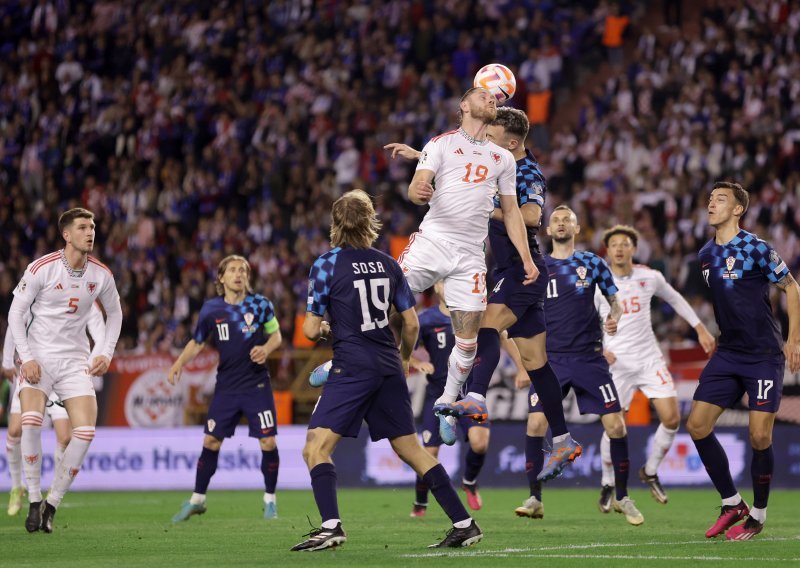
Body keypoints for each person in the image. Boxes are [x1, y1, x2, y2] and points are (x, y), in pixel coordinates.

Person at [294, 189, 481, 551]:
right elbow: (410, 325)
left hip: (351, 365)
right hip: (387, 365)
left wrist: (329, 329)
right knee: (412, 449)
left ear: (336, 224)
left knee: (315, 447)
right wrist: (405, 359)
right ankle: (464, 522)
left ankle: (331, 526)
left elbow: (308, 329)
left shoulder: (326, 263)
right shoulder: (389, 264)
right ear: (370, 223)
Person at [430, 106, 582, 481]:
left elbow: (531, 217)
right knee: (536, 363)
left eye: (492, 134)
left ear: (512, 142)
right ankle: (563, 440)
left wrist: (488, 205)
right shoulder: (495, 164)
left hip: (521, 269)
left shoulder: (527, 170)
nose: (484, 138)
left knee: (482, 325)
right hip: (511, 270)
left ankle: (476, 397)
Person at [385, 87, 537, 446]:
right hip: (433, 242)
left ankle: (445, 403)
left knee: (468, 340)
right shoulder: (439, 144)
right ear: (464, 105)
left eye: (494, 99)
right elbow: (416, 185)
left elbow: (513, 212)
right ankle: (343, 357)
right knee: (383, 298)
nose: (492, 100)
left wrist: (527, 259)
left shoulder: (503, 159)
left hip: (470, 257)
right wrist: (418, 190)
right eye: (484, 97)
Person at [514, 206, 644, 526]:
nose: (560, 224)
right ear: (547, 230)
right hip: (550, 361)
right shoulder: (536, 266)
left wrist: (614, 316)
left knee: (616, 426)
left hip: (589, 358)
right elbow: (519, 314)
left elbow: (615, 300)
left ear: (577, 228)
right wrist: (522, 361)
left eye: (566, 220)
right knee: (534, 425)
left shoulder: (591, 262)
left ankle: (623, 496)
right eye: (555, 220)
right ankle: (535, 498)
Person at [687, 181, 800, 541]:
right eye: (709, 199)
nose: (711, 204)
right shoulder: (705, 254)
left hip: (764, 355)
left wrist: (793, 339)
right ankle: (732, 503)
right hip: (728, 354)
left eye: (720, 200)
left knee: (758, 435)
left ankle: (758, 515)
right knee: (698, 425)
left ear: (738, 209)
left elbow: (792, 287)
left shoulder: (756, 247)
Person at [7, 207, 122, 533]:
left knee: (85, 433)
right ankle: (32, 498)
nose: (91, 232)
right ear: (67, 234)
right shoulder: (41, 268)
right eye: (84, 227)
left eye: (93, 226)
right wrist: (25, 357)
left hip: (75, 362)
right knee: (29, 421)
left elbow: (115, 315)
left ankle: (51, 503)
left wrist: (106, 351)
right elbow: (16, 314)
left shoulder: (101, 274)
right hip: (39, 359)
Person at [594, 225, 715, 509]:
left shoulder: (650, 276)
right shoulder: (597, 281)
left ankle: (649, 471)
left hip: (649, 358)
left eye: (625, 243)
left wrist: (699, 328)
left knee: (672, 418)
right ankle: (607, 482)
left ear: (633, 249)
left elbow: (675, 298)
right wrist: (599, 348)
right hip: (617, 362)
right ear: (607, 251)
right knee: (614, 425)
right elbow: (584, 319)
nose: (620, 248)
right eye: (615, 244)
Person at [168, 254, 283, 522]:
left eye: (242, 270)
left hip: (256, 385)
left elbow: (276, 335)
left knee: (268, 441)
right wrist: (179, 363)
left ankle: (270, 501)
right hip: (227, 388)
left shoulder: (261, 304)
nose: (238, 274)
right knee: (210, 440)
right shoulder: (211, 310)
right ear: (221, 277)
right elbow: (196, 343)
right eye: (232, 270)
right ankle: (197, 500)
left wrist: (266, 348)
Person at [2, 303, 106, 516]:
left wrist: (85, 365)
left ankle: (53, 492)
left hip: (66, 372)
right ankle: (17, 486)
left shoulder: (86, 292)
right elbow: (15, 322)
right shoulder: (38, 285)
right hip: (34, 370)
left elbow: (100, 333)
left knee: (66, 437)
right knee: (15, 430)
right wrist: (7, 360)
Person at [409, 281, 491, 516]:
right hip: (437, 396)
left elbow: (498, 336)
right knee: (428, 455)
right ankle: (420, 502)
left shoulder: (473, 314)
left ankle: (469, 481)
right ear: (436, 287)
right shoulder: (426, 319)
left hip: (468, 395)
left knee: (480, 442)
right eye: (444, 282)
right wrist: (418, 362)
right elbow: (404, 351)